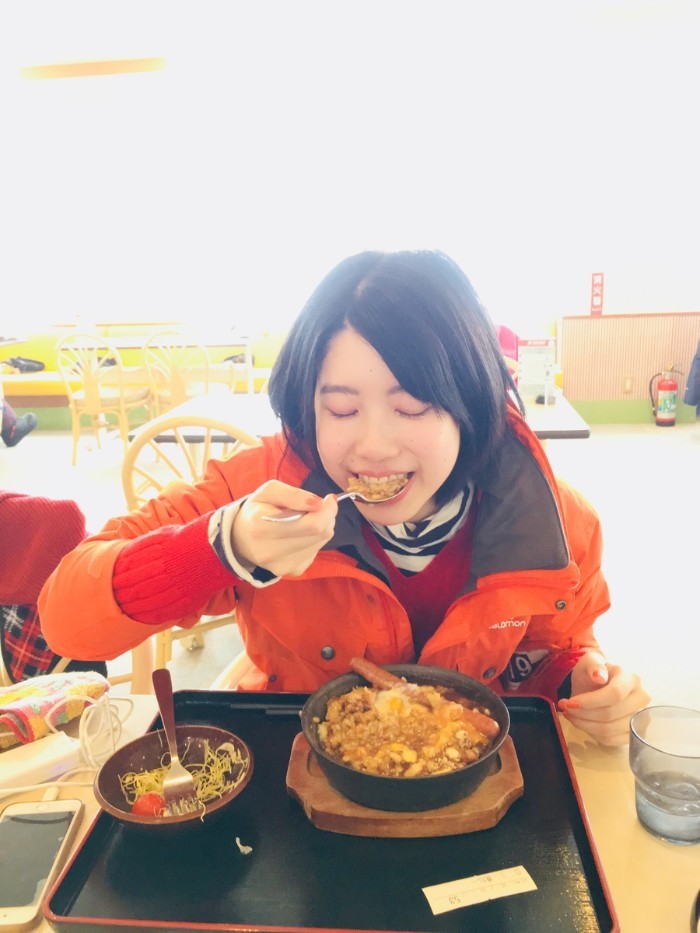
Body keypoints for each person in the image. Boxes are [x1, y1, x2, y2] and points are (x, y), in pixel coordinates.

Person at [39, 250, 648, 745]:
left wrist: (580, 682)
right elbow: (66, 620)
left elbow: (552, 646)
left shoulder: (555, 521)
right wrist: (221, 548)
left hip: (460, 784)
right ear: (309, 407)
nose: (373, 446)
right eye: (342, 408)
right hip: (290, 774)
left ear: (471, 405)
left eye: (411, 407)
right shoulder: (259, 489)